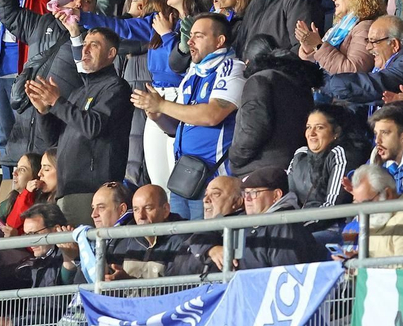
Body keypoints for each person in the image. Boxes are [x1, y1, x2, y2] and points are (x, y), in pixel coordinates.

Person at [131, 13, 242, 219]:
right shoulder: (193, 73)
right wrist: (158, 115)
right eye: (190, 35)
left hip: (212, 181)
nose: (189, 41)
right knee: (182, 246)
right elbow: (176, 128)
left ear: (219, 41)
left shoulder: (231, 68)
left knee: (205, 243)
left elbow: (213, 114)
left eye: (198, 36)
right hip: (183, 177)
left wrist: (163, 104)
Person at [24, 26, 132, 217]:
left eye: (94, 45)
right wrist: (44, 111)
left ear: (111, 53)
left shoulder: (116, 88)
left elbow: (93, 126)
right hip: (67, 189)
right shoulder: (78, 92)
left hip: (93, 191)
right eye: (84, 44)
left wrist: (57, 102)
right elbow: (53, 142)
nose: (85, 49)